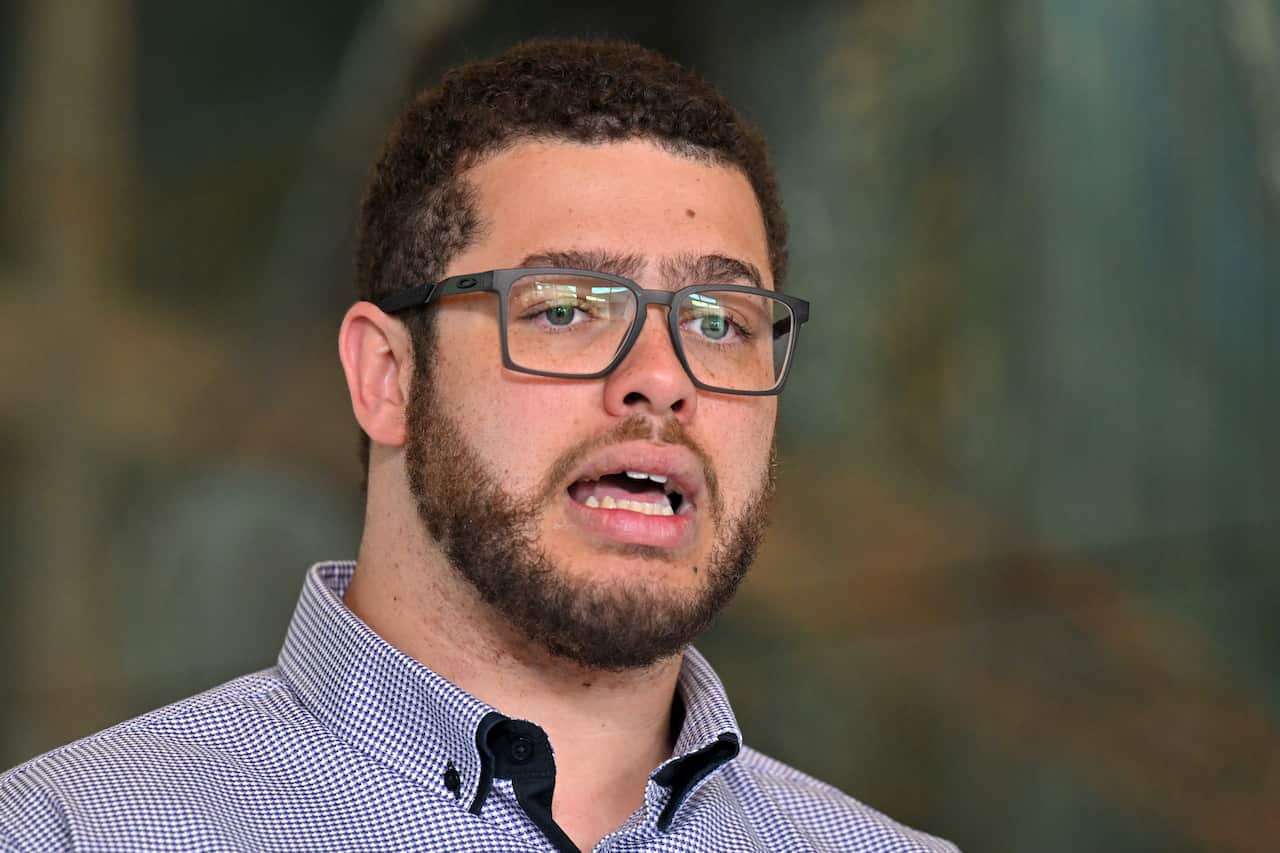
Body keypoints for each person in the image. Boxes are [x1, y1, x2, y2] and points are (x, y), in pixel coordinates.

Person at [0, 39, 957, 852]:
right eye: (569, 308)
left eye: (719, 320)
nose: (664, 376)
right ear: (387, 375)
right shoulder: (73, 831)